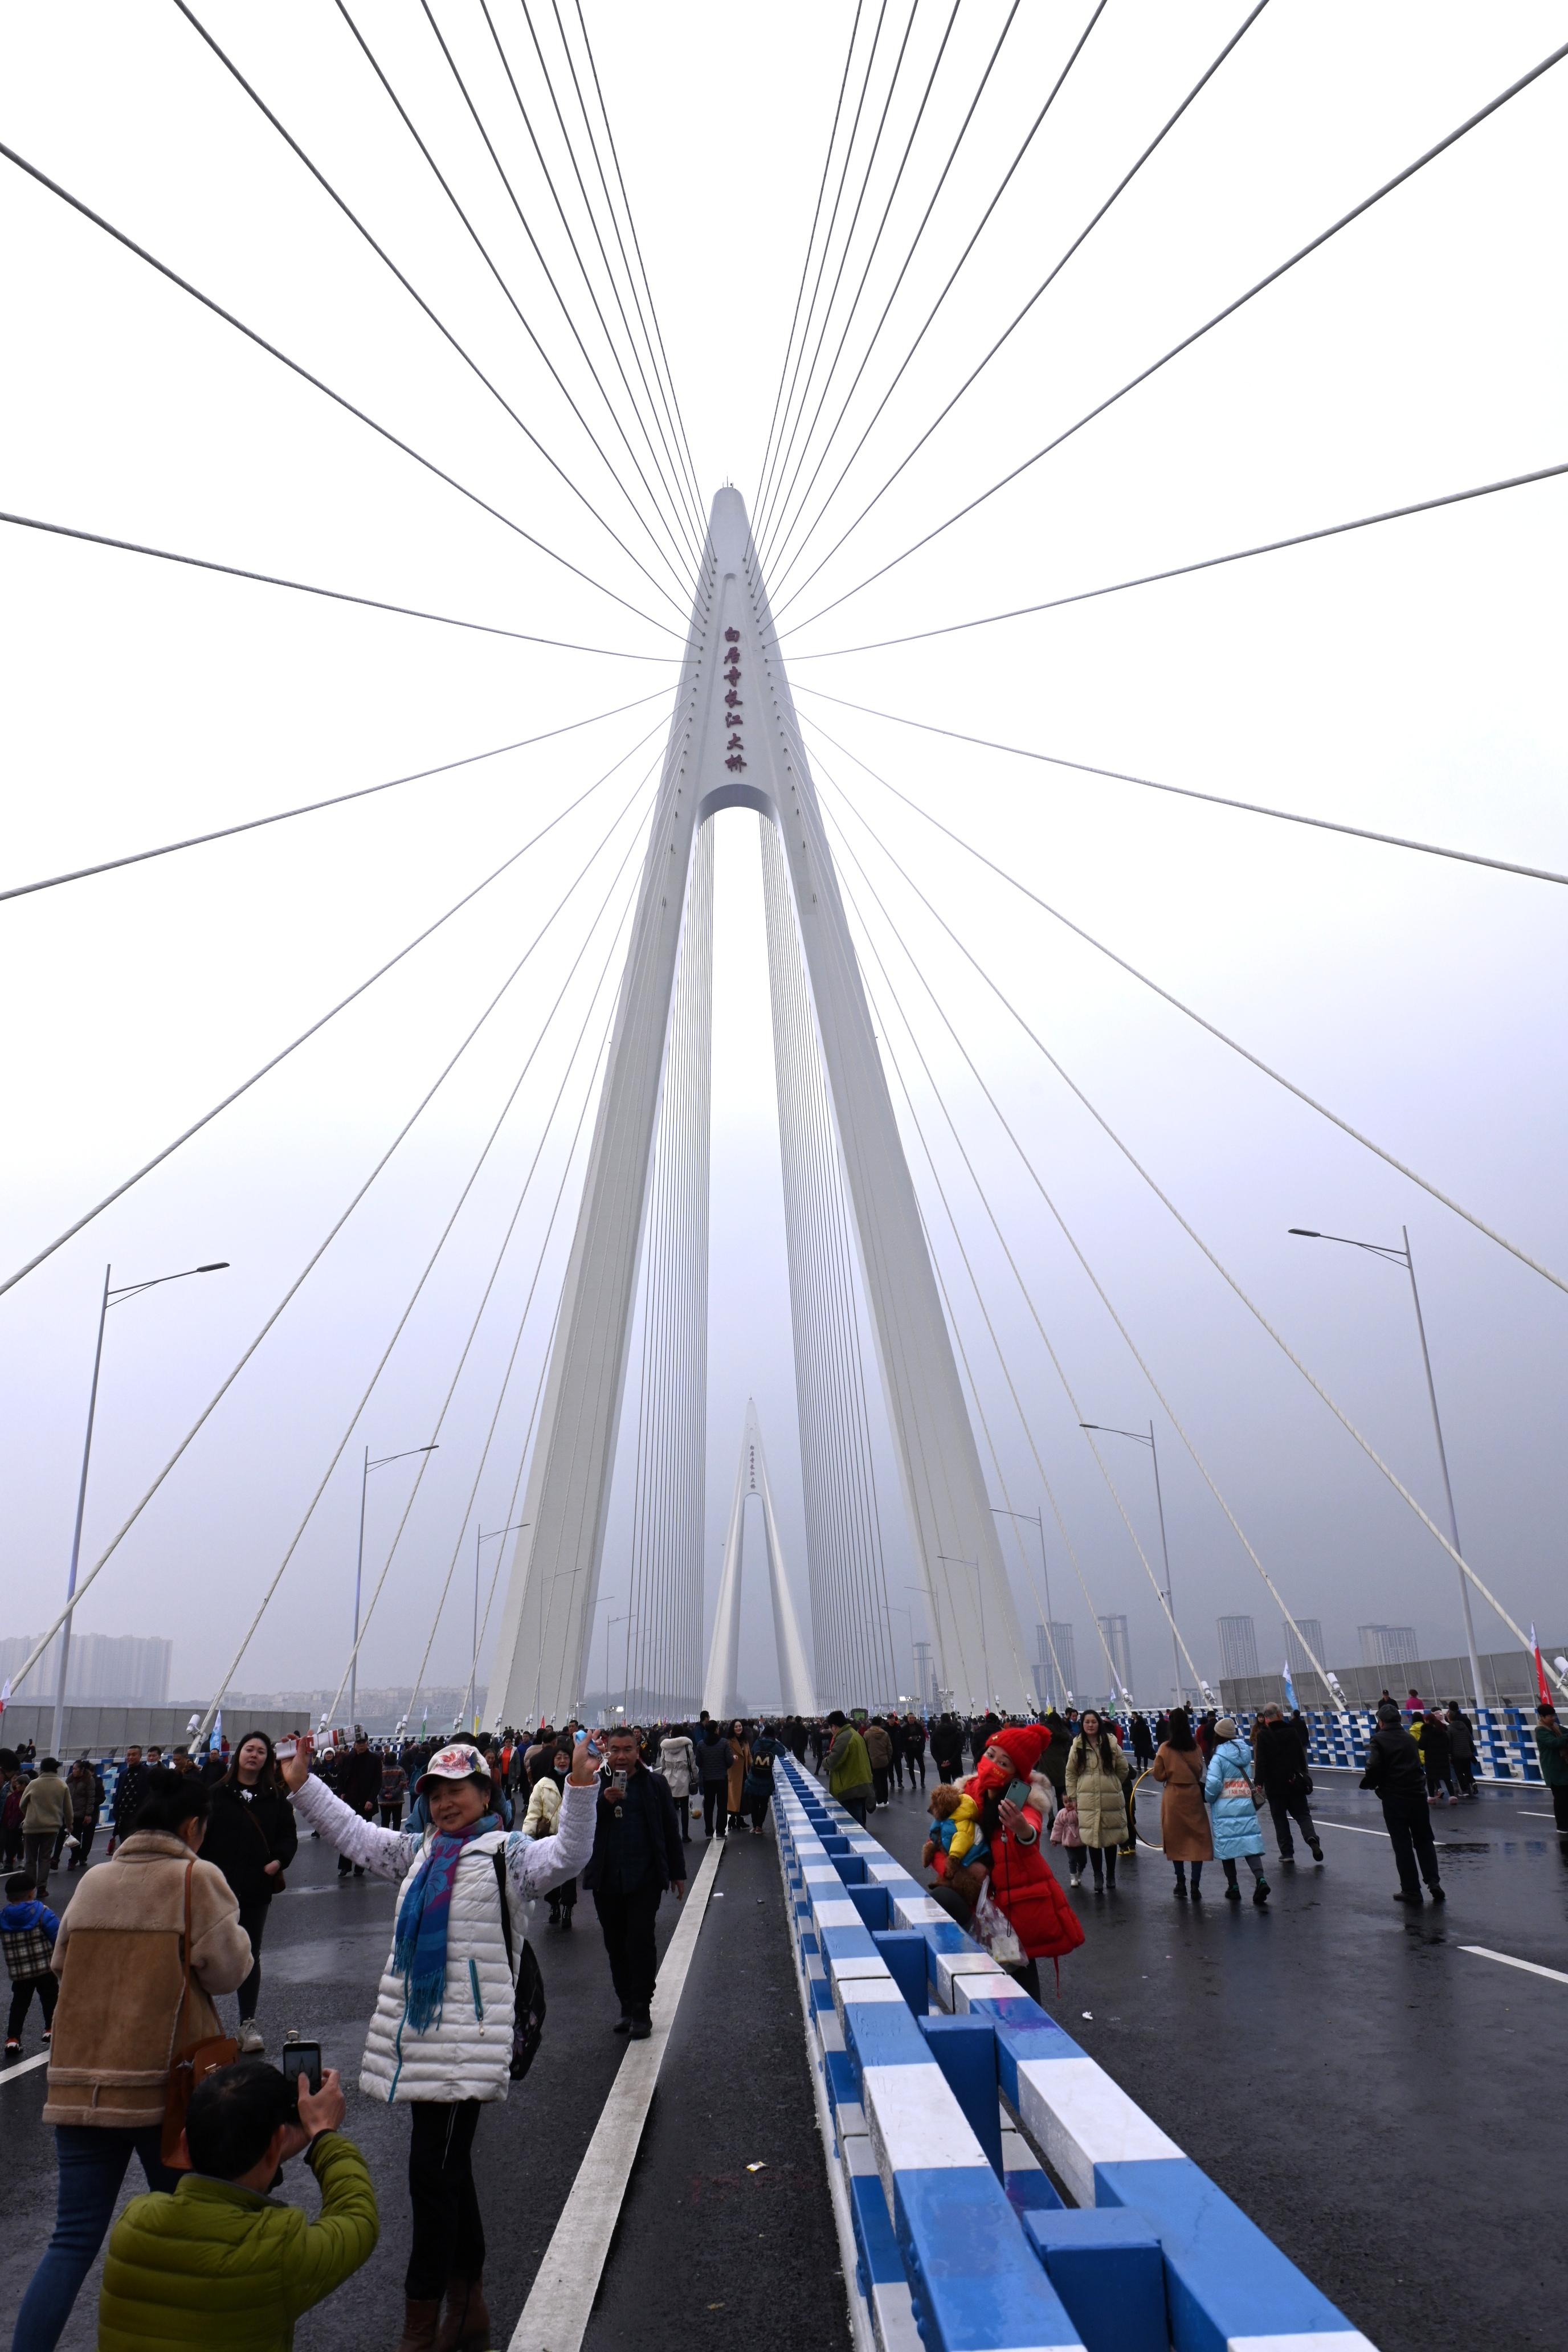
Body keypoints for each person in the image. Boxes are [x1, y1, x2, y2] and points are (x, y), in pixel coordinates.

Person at [279, 1730, 595, 2352]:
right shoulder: (420, 1853)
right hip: (420, 2041)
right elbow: (354, 1835)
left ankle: (421, 2321)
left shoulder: (509, 1855)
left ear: (485, 1793)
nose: (447, 1803)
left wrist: (580, 1788)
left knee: (430, 2174)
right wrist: (305, 1788)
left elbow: (569, 1855)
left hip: (466, 2042)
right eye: (436, 1792)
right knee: (449, 2173)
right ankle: (469, 2302)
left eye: (459, 1790)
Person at [14, 1767, 254, 2351]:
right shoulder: (197, 1879)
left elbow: (62, 1963)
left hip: (80, 2086)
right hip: (164, 2089)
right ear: (194, 1827)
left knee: (70, 2241)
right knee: (188, 2233)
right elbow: (228, 1972)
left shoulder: (96, 1880)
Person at [96, 2057, 378, 2349]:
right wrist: (324, 2135)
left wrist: (270, 2154)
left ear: (184, 2145)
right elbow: (358, 2218)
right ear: (274, 2146)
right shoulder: (276, 2251)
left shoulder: (133, 2224)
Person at [965, 1726, 1083, 1999]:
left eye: (1003, 1763)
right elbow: (940, 1841)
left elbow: (1031, 1830)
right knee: (982, 1976)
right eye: (991, 1755)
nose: (992, 1764)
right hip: (977, 1896)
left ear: (1016, 1774)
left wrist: (1021, 1829)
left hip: (1014, 1900)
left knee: (1018, 1966)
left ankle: (1031, 2033)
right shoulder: (968, 1792)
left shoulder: (1027, 1801)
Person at [199, 1732, 299, 2055]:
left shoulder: (275, 1797)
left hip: (256, 1886)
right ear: (238, 1754)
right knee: (204, 1952)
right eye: (248, 1749)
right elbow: (198, 1837)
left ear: (267, 1759)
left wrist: (278, 1862)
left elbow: (288, 1837)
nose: (253, 1755)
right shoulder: (216, 1795)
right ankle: (200, 2024)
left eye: (260, 1751)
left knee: (250, 1954)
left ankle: (247, 2023)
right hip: (217, 1888)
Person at [582, 1725, 685, 2039]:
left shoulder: (656, 1784)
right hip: (607, 1879)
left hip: (645, 1878)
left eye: (628, 1749)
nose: (622, 1756)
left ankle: (642, 2008)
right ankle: (626, 2005)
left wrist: (678, 1873)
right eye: (615, 1750)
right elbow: (576, 1827)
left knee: (640, 1941)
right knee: (615, 1945)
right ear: (607, 1753)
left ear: (639, 1749)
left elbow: (670, 1830)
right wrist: (601, 1802)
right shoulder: (592, 1786)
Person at [1360, 1699, 1445, 1904]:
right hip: (1417, 1795)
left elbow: (1374, 1767)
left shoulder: (1379, 1740)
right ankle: (1433, 1882)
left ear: (1381, 1722)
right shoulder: (1408, 1739)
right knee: (1424, 1840)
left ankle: (1411, 1890)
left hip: (1395, 1797)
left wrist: (1371, 1784)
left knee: (1403, 1844)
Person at [1203, 1718, 1271, 1905]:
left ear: (1218, 1735)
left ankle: (1233, 1887)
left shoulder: (1218, 1758)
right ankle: (1261, 1879)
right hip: (1245, 1804)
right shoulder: (1243, 1752)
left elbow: (1213, 1785)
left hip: (1225, 1808)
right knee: (1249, 1842)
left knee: (1228, 1847)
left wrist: (1209, 1798)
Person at [1064, 1712, 1131, 1892]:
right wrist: (1074, 1796)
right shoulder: (1077, 1746)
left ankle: (1110, 1874)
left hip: (1110, 1797)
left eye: (1094, 1722)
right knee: (1092, 1839)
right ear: (1082, 1724)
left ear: (1099, 1724)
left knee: (1110, 1838)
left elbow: (1123, 1769)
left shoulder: (1111, 1744)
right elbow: (1070, 1773)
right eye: (1087, 1722)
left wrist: (1112, 1783)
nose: (1091, 1725)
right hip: (1087, 1799)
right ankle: (1098, 1876)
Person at [1152, 1706, 1213, 1900]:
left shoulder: (1165, 1748)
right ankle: (1196, 1884)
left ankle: (1181, 1882)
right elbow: (1199, 1771)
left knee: (1175, 1839)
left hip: (1173, 1796)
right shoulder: (1195, 1747)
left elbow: (1158, 1775)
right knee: (1197, 1840)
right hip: (1193, 1796)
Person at [1253, 1702, 1324, 1867]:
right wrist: (1304, 1775)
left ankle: (1287, 1853)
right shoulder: (1291, 1731)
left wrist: (1259, 1783)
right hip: (1294, 1782)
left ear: (1266, 1718)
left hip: (1274, 1786)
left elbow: (1261, 1762)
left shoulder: (1263, 1735)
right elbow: (1301, 1756)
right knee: (1303, 1815)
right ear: (1279, 1714)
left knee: (1280, 1819)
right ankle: (1311, 1838)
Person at [3, 1869, 60, 2057]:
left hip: (20, 1972)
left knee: (19, 2004)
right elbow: (57, 1937)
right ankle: (51, 2029)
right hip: (45, 1968)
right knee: (50, 1998)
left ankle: (13, 2038)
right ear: (31, 1893)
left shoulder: (3, 1917)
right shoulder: (43, 1913)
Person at [522, 1741, 578, 1930]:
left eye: (566, 1757)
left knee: (570, 1876)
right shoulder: (543, 1785)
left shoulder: (577, 1782)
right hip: (550, 1839)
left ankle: (567, 1908)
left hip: (570, 1838)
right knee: (552, 1875)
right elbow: (534, 1812)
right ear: (553, 1760)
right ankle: (554, 1905)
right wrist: (525, 1840)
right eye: (558, 1757)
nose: (562, 1761)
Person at [19, 1758, 72, 1901]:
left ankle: (30, 1888)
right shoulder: (62, 1785)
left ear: (41, 1769)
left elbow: (22, 1804)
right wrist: (69, 1824)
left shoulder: (33, 1784)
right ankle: (42, 1888)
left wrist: (29, 1815)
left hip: (31, 1827)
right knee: (45, 1858)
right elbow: (68, 1809)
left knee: (30, 1858)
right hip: (51, 1827)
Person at [335, 1732, 383, 1879]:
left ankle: (360, 1867)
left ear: (367, 1743)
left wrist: (371, 1799)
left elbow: (377, 1782)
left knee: (363, 1835)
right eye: (359, 1743)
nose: (361, 1746)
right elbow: (341, 1777)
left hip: (366, 1803)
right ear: (354, 1744)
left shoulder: (375, 1759)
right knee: (347, 1834)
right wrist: (342, 1793)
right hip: (350, 1801)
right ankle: (344, 1867)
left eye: (364, 1743)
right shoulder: (348, 1758)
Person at [824, 1711, 875, 1827]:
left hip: (850, 1788)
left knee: (853, 1826)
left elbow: (833, 1762)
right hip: (860, 1784)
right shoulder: (854, 1734)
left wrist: (825, 1761)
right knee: (860, 1824)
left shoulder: (844, 1737)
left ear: (834, 1726)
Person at [657, 1722, 698, 1840]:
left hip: (669, 1778)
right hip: (684, 1779)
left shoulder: (665, 1747)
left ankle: (672, 1834)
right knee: (685, 1809)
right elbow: (692, 1765)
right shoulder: (687, 1746)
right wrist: (696, 1778)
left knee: (670, 1810)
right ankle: (685, 1835)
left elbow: (663, 1764)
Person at [106, 1746, 149, 1857]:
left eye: (134, 1755)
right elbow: (119, 1793)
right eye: (128, 1755)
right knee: (125, 1846)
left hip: (139, 1818)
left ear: (140, 1756)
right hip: (123, 1817)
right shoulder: (123, 1773)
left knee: (137, 1847)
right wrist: (116, 1811)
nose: (130, 1757)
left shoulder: (148, 1773)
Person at [1534, 1701, 1568, 1838]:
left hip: (1564, 1767)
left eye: (1553, 1715)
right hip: (1553, 1769)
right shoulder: (1541, 1730)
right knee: (1560, 1799)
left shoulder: (1555, 1727)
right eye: (1549, 1716)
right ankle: (1562, 1826)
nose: (1552, 1718)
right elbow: (1554, 1743)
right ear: (1542, 1717)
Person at [62, 1758, 101, 1871]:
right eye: (73, 1768)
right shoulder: (70, 1779)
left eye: (75, 1769)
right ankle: (76, 1856)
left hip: (83, 1814)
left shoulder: (90, 1781)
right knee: (74, 1837)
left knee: (86, 1838)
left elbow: (91, 1798)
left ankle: (76, 1859)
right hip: (72, 1813)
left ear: (82, 1770)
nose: (73, 1771)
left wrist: (88, 1814)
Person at [744, 1724, 784, 1834]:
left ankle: (754, 1825)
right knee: (764, 1803)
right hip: (766, 1778)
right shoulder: (774, 1745)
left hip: (754, 1776)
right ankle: (759, 1827)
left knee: (754, 1803)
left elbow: (752, 1753)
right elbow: (783, 1753)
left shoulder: (758, 1742)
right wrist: (776, 1742)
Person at [697, 1720, 733, 1839]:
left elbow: (699, 1763)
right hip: (722, 1778)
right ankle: (720, 1832)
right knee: (722, 1806)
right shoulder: (724, 1743)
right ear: (717, 1729)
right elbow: (729, 1761)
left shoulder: (701, 1744)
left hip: (707, 1779)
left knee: (709, 1806)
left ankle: (708, 1832)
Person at [1447, 1701, 1478, 1798]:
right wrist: (1472, 1750)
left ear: (1449, 1718)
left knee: (1459, 1772)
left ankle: (1464, 1790)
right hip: (1467, 1752)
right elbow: (1470, 1737)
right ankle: (1472, 1782)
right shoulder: (1464, 1725)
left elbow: (1449, 1743)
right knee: (1468, 1770)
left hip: (1457, 1754)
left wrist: (1449, 1754)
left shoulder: (1450, 1729)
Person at [725, 1720, 752, 1832]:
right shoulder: (729, 1742)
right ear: (733, 1728)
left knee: (742, 1798)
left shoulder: (745, 1741)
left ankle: (739, 1819)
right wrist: (732, 1757)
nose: (738, 1728)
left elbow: (749, 1755)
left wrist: (754, 1765)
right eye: (736, 1727)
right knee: (734, 1798)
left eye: (740, 1726)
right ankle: (733, 1819)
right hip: (734, 1773)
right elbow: (726, 1754)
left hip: (744, 1773)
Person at [863, 1716, 894, 1809]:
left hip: (872, 1761)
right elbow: (889, 1748)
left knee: (876, 1782)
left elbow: (864, 1748)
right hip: (884, 1761)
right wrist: (887, 1758)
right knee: (884, 1780)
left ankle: (879, 1800)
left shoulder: (867, 1734)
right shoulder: (885, 1734)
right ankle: (885, 1800)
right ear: (880, 1724)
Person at [379, 1753, 409, 1830]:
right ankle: (396, 1838)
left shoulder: (380, 1770)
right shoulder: (400, 1769)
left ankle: (385, 1838)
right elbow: (403, 1783)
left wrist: (385, 1793)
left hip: (384, 1801)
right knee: (397, 1820)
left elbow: (377, 1785)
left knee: (385, 1821)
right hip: (397, 1799)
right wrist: (393, 1793)